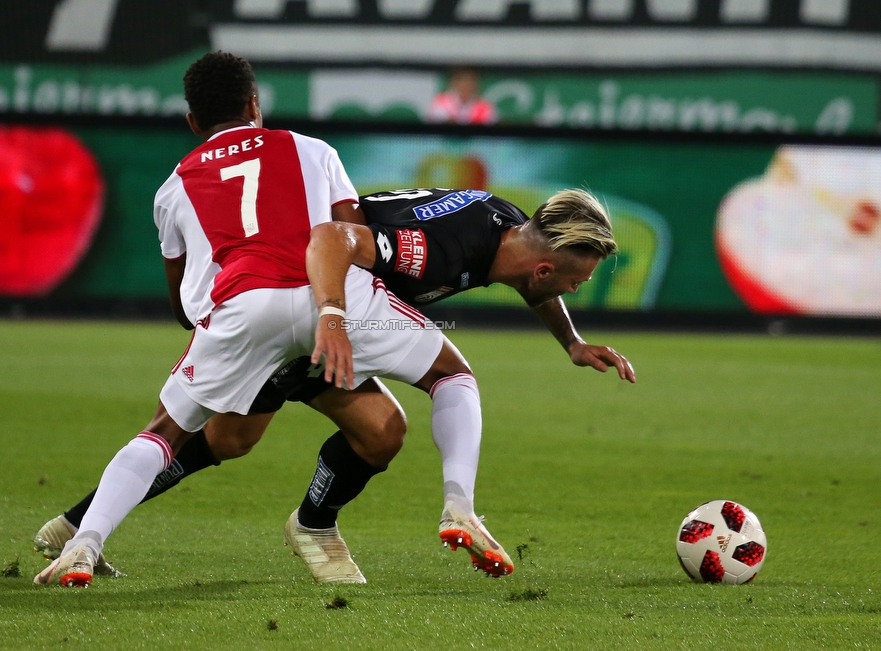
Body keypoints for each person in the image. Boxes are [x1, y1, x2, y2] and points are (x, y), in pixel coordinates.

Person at [34, 183, 635, 583]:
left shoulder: (504, 221)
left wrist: (572, 343)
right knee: (224, 440)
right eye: (573, 280)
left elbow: (537, 286)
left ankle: (314, 524)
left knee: (381, 432)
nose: (572, 291)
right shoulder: (431, 249)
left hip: (342, 318)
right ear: (545, 265)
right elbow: (333, 239)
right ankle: (80, 525)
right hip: (305, 311)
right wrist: (330, 317)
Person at [32, 51, 460, 588]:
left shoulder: (174, 187)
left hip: (244, 316)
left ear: (192, 122)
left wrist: (224, 332)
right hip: (322, 313)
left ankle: (82, 537)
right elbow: (357, 244)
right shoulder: (312, 151)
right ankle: (80, 525)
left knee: (185, 432)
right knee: (240, 438)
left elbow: (183, 301)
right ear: (255, 104)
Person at [427, 67, 498, 125]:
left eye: (471, 80)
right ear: (454, 82)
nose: (467, 84)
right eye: (463, 80)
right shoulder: (440, 101)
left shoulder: (484, 106)